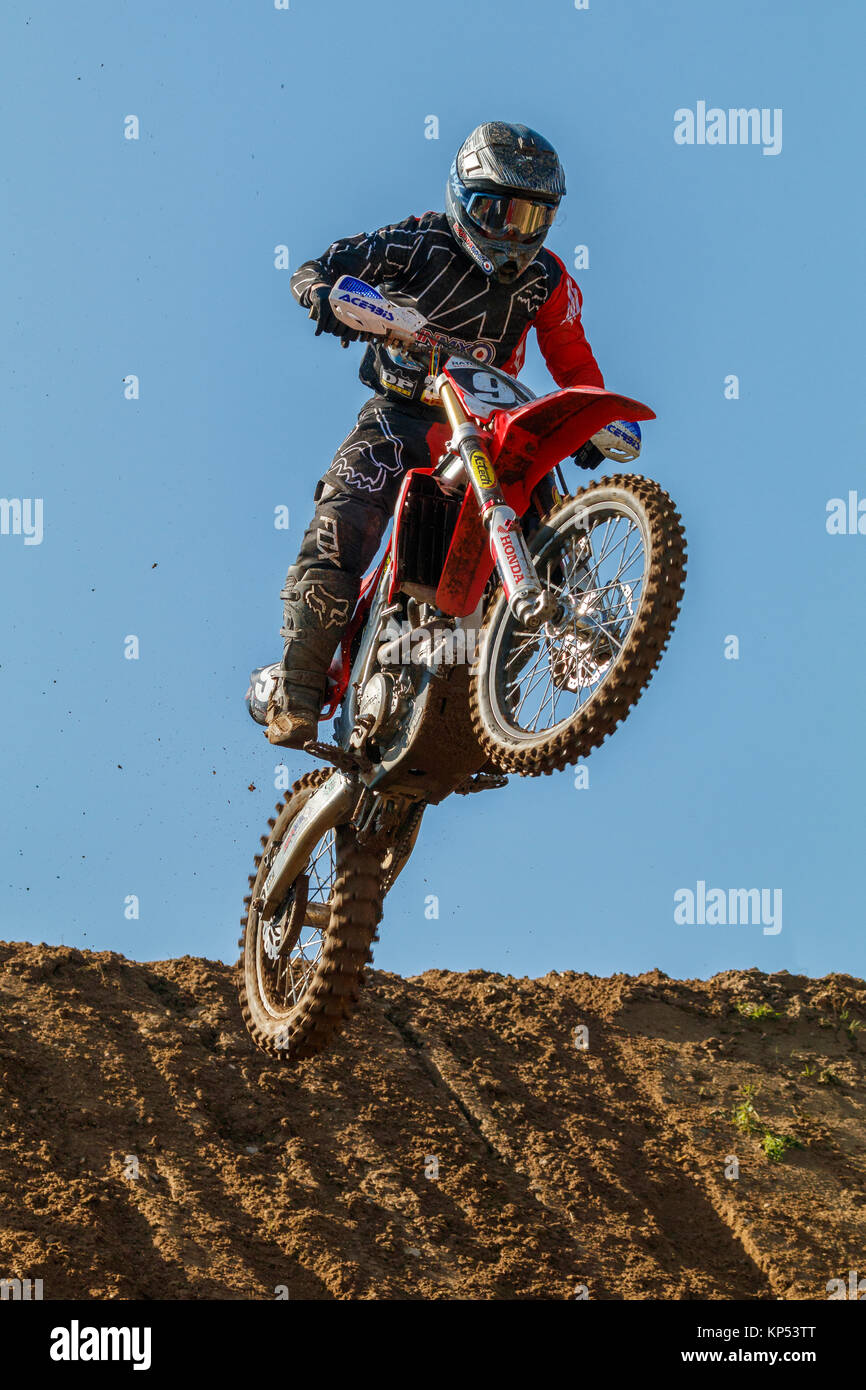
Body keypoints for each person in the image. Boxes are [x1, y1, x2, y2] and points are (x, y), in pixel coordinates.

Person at [266, 121, 639, 748]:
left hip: (492, 430)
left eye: (529, 217)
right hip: (402, 414)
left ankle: (564, 633)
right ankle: (300, 687)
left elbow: (573, 361)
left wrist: (596, 414)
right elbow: (319, 268)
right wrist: (328, 295)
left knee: (545, 487)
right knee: (343, 520)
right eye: (497, 210)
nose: (511, 232)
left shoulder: (546, 280)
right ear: (463, 199)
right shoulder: (419, 243)